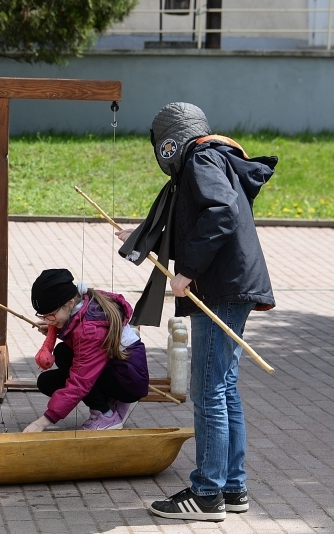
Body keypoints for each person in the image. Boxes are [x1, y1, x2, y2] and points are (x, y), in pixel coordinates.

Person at [117, 103, 277, 522]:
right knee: (224, 389)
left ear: (171, 139)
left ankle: (207, 493)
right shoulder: (214, 157)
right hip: (231, 285)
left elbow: (220, 212)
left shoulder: (200, 159)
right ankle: (232, 487)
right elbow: (198, 219)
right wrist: (140, 237)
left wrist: (187, 271)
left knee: (209, 392)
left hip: (221, 288)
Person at [23, 268, 149, 433]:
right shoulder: (83, 304)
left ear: (69, 303)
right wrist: (57, 328)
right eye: (43, 316)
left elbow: (80, 381)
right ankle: (111, 402)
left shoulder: (90, 330)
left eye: (51, 316)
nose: (48, 321)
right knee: (47, 380)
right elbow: (78, 337)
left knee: (64, 355)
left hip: (129, 382)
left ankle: (106, 416)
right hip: (119, 370)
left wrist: (43, 422)